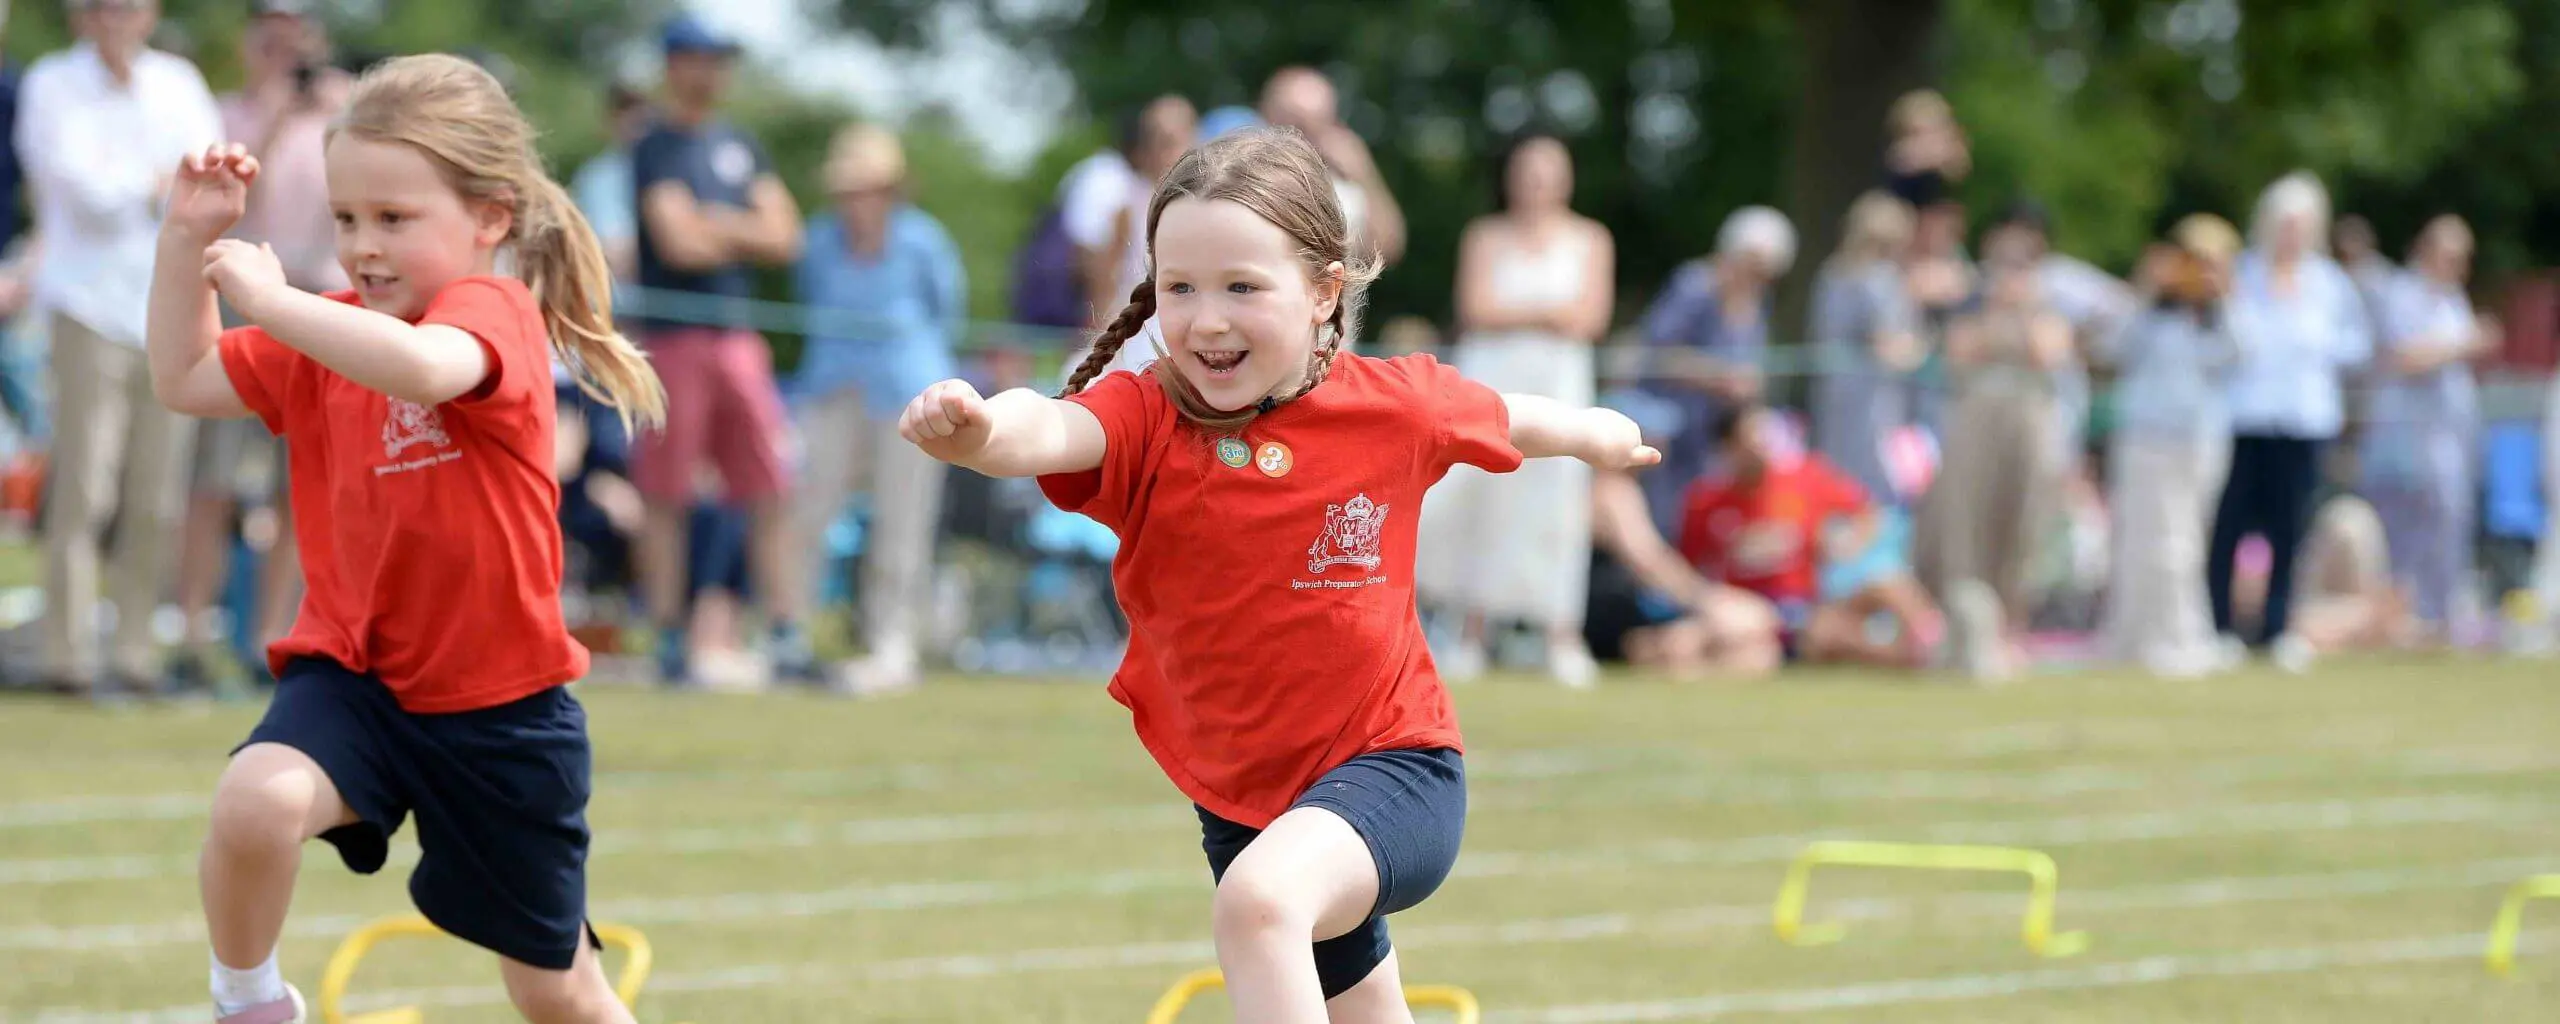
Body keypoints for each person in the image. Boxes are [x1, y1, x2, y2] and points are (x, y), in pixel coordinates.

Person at [896, 127, 1653, 1022]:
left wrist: (1591, 430)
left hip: (1394, 767)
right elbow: (1052, 429)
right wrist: (980, 428)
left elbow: (1506, 414)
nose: (1206, 319)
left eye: (1242, 288)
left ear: (1324, 291)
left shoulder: (1390, 405)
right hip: (1240, 796)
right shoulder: (1146, 417)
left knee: (1259, 907)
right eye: (1179, 288)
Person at [146, 54, 666, 1024]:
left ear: (491, 218)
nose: (362, 247)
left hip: (502, 708)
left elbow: (427, 368)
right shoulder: (325, 333)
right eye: (346, 220)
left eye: (394, 219)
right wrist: (186, 240)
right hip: (359, 679)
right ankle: (251, 1002)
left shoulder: (492, 315)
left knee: (556, 992)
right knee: (254, 799)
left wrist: (272, 302)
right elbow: (183, 378)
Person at [15, 0, 223, 695]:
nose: (114, 15)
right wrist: (156, 185)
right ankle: (67, 657)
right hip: (87, 307)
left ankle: (135, 654)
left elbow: (207, 181)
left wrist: (148, 187)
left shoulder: (178, 81)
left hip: (168, 308)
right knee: (85, 489)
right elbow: (80, 191)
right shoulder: (53, 82)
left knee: (157, 495)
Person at [174, 0, 355, 692]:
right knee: (213, 484)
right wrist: (279, 115)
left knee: (299, 489)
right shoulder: (227, 116)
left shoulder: (340, 114)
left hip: (319, 304)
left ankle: (273, 637)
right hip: (245, 298)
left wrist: (336, 113)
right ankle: (192, 632)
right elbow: (239, 202)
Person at [628, 13, 804, 685]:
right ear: (674, 64)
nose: (713, 70)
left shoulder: (742, 143)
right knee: (665, 492)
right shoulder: (654, 144)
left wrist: (715, 222)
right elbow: (678, 244)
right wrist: (742, 225)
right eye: (701, 57)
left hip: (736, 335)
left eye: (719, 58)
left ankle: (785, 632)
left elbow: (786, 237)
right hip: (672, 337)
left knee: (770, 484)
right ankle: (669, 638)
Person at [1420, 133, 1615, 686]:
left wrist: (1523, 314)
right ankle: (1473, 631)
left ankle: (1560, 633)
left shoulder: (1589, 239)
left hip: (1559, 382)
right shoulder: (1485, 237)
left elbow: (1588, 317)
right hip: (1496, 381)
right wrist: (1547, 314)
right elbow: (1476, 308)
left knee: (1556, 500)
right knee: (1485, 494)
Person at [777, 124, 967, 692]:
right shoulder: (818, 240)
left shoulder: (924, 241)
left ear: (890, 191)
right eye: (849, 189)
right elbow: (809, 296)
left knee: (902, 522)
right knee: (805, 512)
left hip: (908, 391)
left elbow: (946, 311)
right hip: (830, 389)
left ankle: (893, 644)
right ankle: (791, 635)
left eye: (869, 188)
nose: (858, 201)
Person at [2208, 171, 2372, 654]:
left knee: (2290, 530)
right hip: (2247, 419)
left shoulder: (2328, 283)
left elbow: (2354, 345)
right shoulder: (2244, 273)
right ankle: (2220, 626)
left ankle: (2278, 627)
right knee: (2231, 526)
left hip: (2303, 420)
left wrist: (2315, 346)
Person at [1911, 228, 2076, 680]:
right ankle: (1964, 627)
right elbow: (1960, 355)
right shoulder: (1972, 310)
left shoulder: (2046, 312)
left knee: (2023, 522)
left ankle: (2012, 627)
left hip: (2028, 419)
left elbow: (2047, 355)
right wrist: (1992, 311)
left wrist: (2020, 312)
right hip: (1977, 420)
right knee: (1967, 520)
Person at [1680, 402, 1941, 670]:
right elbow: (1688, 567)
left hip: (1810, 601)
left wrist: (1846, 546)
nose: (1762, 444)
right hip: (1755, 613)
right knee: (1828, 635)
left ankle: (1935, 643)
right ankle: (1914, 661)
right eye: (1752, 436)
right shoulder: (1705, 501)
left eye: (1766, 433)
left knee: (1889, 585)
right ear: (1730, 447)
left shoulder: (1805, 477)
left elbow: (1866, 512)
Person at [2094, 213, 2243, 678]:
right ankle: (2142, 638)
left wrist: (2221, 301)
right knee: (2149, 543)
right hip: (2146, 439)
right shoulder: (2149, 316)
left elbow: (2240, 355)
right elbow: (2110, 350)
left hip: (2199, 440)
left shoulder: (2218, 318)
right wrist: (2146, 292)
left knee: (2185, 543)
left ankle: (2182, 634)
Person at [2362, 214, 2496, 647]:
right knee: (2401, 536)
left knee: (2447, 531)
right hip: (2406, 443)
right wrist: (2466, 343)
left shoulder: (2451, 298)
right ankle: (2395, 623)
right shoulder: (2401, 295)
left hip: (2449, 440)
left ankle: (2438, 621)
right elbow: (2403, 357)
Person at [1635, 206, 1796, 532]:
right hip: (1674, 433)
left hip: (1717, 438)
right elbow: (1658, 354)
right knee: (1669, 521)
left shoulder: (1756, 299)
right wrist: (1718, 376)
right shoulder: (1695, 285)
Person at [1808, 190, 1925, 505]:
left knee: (1836, 472)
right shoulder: (1880, 279)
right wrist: (1921, 349)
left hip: (1834, 393)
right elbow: (1890, 346)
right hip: (1873, 399)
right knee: (1873, 484)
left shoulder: (1830, 274)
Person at [1260, 66, 1408, 268]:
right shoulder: (1245, 174)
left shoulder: (1345, 176)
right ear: (1266, 116)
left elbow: (1389, 248)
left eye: (1319, 121)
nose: (1306, 135)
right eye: (1295, 122)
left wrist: (1364, 174)